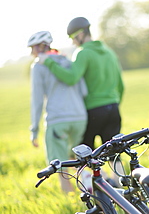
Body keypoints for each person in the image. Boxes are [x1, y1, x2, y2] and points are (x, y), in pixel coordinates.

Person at [38, 17, 124, 185]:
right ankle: (123, 186)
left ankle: (97, 188)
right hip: (113, 109)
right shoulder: (109, 52)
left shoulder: (83, 53)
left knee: (83, 152)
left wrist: (48, 62)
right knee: (115, 152)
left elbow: (71, 78)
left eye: (73, 37)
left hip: (93, 111)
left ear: (81, 34)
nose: (72, 42)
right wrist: (113, 103)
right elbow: (121, 85)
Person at [28, 30, 88, 193]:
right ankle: (89, 189)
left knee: (60, 165)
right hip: (80, 118)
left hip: (58, 120)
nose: (31, 53)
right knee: (77, 158)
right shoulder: (67, 61)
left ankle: (70, 200)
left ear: (40, 48)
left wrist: (34, 129)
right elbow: (83, 90)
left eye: (32, 48)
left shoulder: (38, 67)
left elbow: (37, 100)